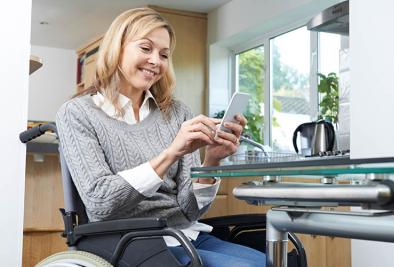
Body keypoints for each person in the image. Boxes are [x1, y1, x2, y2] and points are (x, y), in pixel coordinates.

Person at [56, 7, 265, 267]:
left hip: (183, 234)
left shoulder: (177, 113)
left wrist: (212, 161)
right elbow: (100, 203)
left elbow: (190, 209)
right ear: (116, 48)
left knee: (275, 262)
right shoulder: (77, 112)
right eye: (146, 48)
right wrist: (170, 153)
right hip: (127, 239)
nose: (156, 61)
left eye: (164, 54)